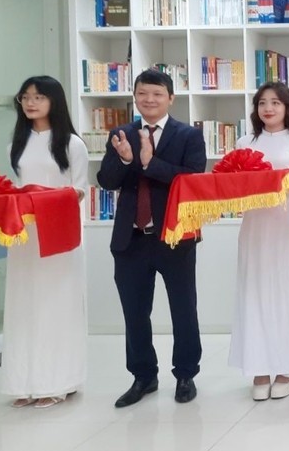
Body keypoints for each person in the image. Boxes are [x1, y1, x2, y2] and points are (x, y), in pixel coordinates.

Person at [98, 69, 206, 408]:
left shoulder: (188, 135)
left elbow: (192, 180)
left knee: (183, 308)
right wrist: (127, 160)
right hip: (130, 239)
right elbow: (106, 180)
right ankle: (144, 376)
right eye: (143, 93)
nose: (149, 100)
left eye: (157, 94)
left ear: (171, 98)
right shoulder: (122, 134)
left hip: (174, 236)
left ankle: (186, 374)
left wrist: (150, 163)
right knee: (134, 312)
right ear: (135, 96)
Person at [1, 76, 88, 409]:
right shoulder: (16, 144)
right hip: (24, 235)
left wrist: (43, 202)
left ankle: (58, 381)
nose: (31, 103)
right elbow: (15, 188)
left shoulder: (71, 144)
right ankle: (23, 382)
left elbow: (77, 191)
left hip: (59, 233)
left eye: (38, 97)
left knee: (56, 305)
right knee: (23, 305)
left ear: (54, 100)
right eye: (25, 97)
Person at [228, 82, 289, 401]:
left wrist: (278, 185)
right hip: (255, 226)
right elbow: (233, 183)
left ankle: (287, 369)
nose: (268, 108)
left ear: (287, 107)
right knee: (255, 292)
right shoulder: (243, 141)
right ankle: (259, 366)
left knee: (286, 294)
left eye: (275, 102)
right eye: (262, 103)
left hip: (287, 227)